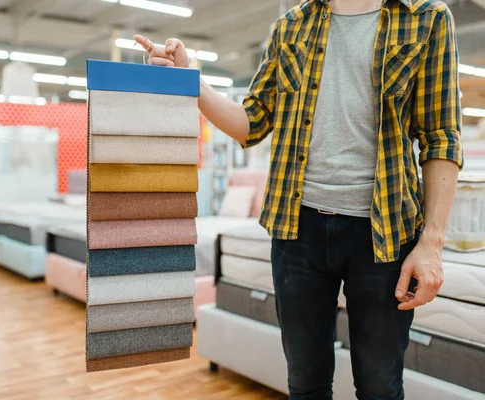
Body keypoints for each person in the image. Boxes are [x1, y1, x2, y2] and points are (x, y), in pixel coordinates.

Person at [135, 0, 462, 398]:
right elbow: (251, 122)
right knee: (305, 384)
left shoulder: (426, 18)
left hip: (385, 233)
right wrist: (191, 81)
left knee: (381, 387)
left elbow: (440, 137)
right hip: (297, 230)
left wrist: (432, 244)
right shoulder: (291, 25)